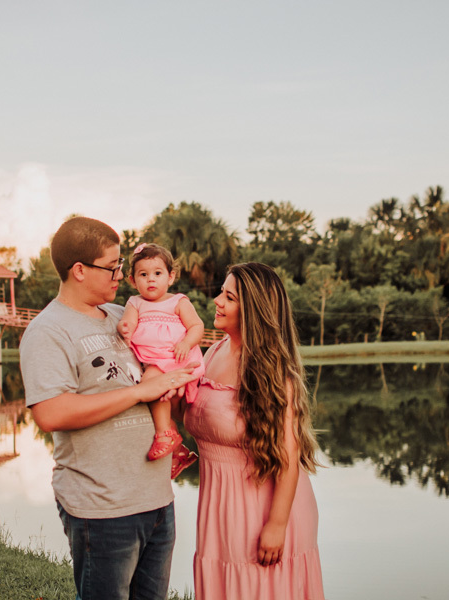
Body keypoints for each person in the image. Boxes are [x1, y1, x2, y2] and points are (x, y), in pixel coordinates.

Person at [19, 216, 198, 600]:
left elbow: (168, 372)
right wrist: (139, 393)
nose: (122, 274)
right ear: (79, 270)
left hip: (157, 501)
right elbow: (50, 413)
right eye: (113, 266)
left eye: (121, 265)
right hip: (102, 510)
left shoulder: (122, 317)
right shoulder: (48, 331)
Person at [181, 262, 325, 599]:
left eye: (228, 297)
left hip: (266, 506)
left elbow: (288, 457)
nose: (217, 300)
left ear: (253, 311)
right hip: (218, 503)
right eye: (222, 293)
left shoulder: (269, 370)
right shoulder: (213, 351)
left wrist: (276, 526)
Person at [117, 243, 206, 463]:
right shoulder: (135, 303)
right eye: (143, 274)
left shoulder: (178, 301)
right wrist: (124, 328)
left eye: (158, 273)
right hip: (154, 360)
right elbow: (128, 321)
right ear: (132, 280)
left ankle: (165, 435)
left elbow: (197, 326)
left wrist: (186, 342)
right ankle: (177, 452)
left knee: (149, 385)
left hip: (178, 358)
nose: (151, 279)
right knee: (154, 389)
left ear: (171, 277)